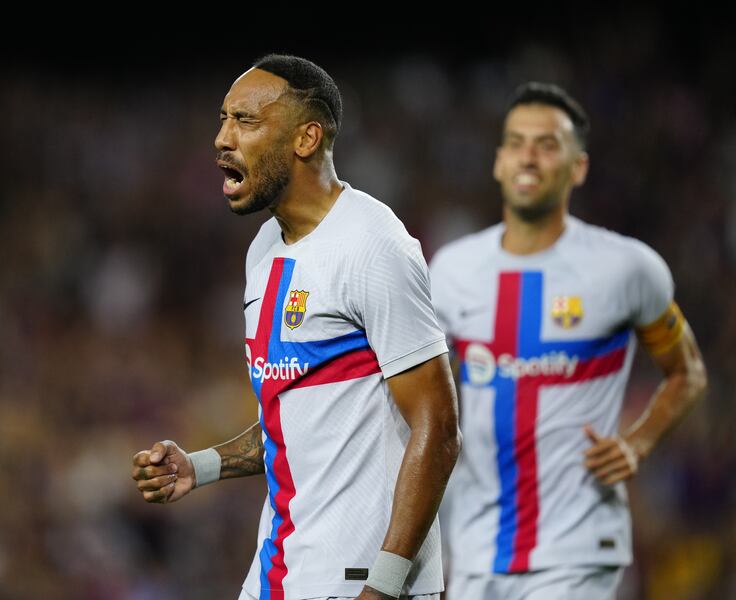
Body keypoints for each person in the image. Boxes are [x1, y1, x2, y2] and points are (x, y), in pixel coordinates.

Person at [131, 54, 461, 600]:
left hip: (358, 580)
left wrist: (383, 587)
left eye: (245, 120)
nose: (221, 137)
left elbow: (438, 427)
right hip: (280, 570)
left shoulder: (372, 246)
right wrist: (201, 466)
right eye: (222, 118)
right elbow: (295, 416)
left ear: (306, 138)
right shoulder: (264, 250)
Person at [430, 82, 708, 599]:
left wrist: (638, 443)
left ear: (579, 166)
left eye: (547, 143)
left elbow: (687, 370)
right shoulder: (450, 271)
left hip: (579, 549)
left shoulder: (625, 268)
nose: (528, 156)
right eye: (515, 142)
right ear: (497, 162)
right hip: (474, 550)